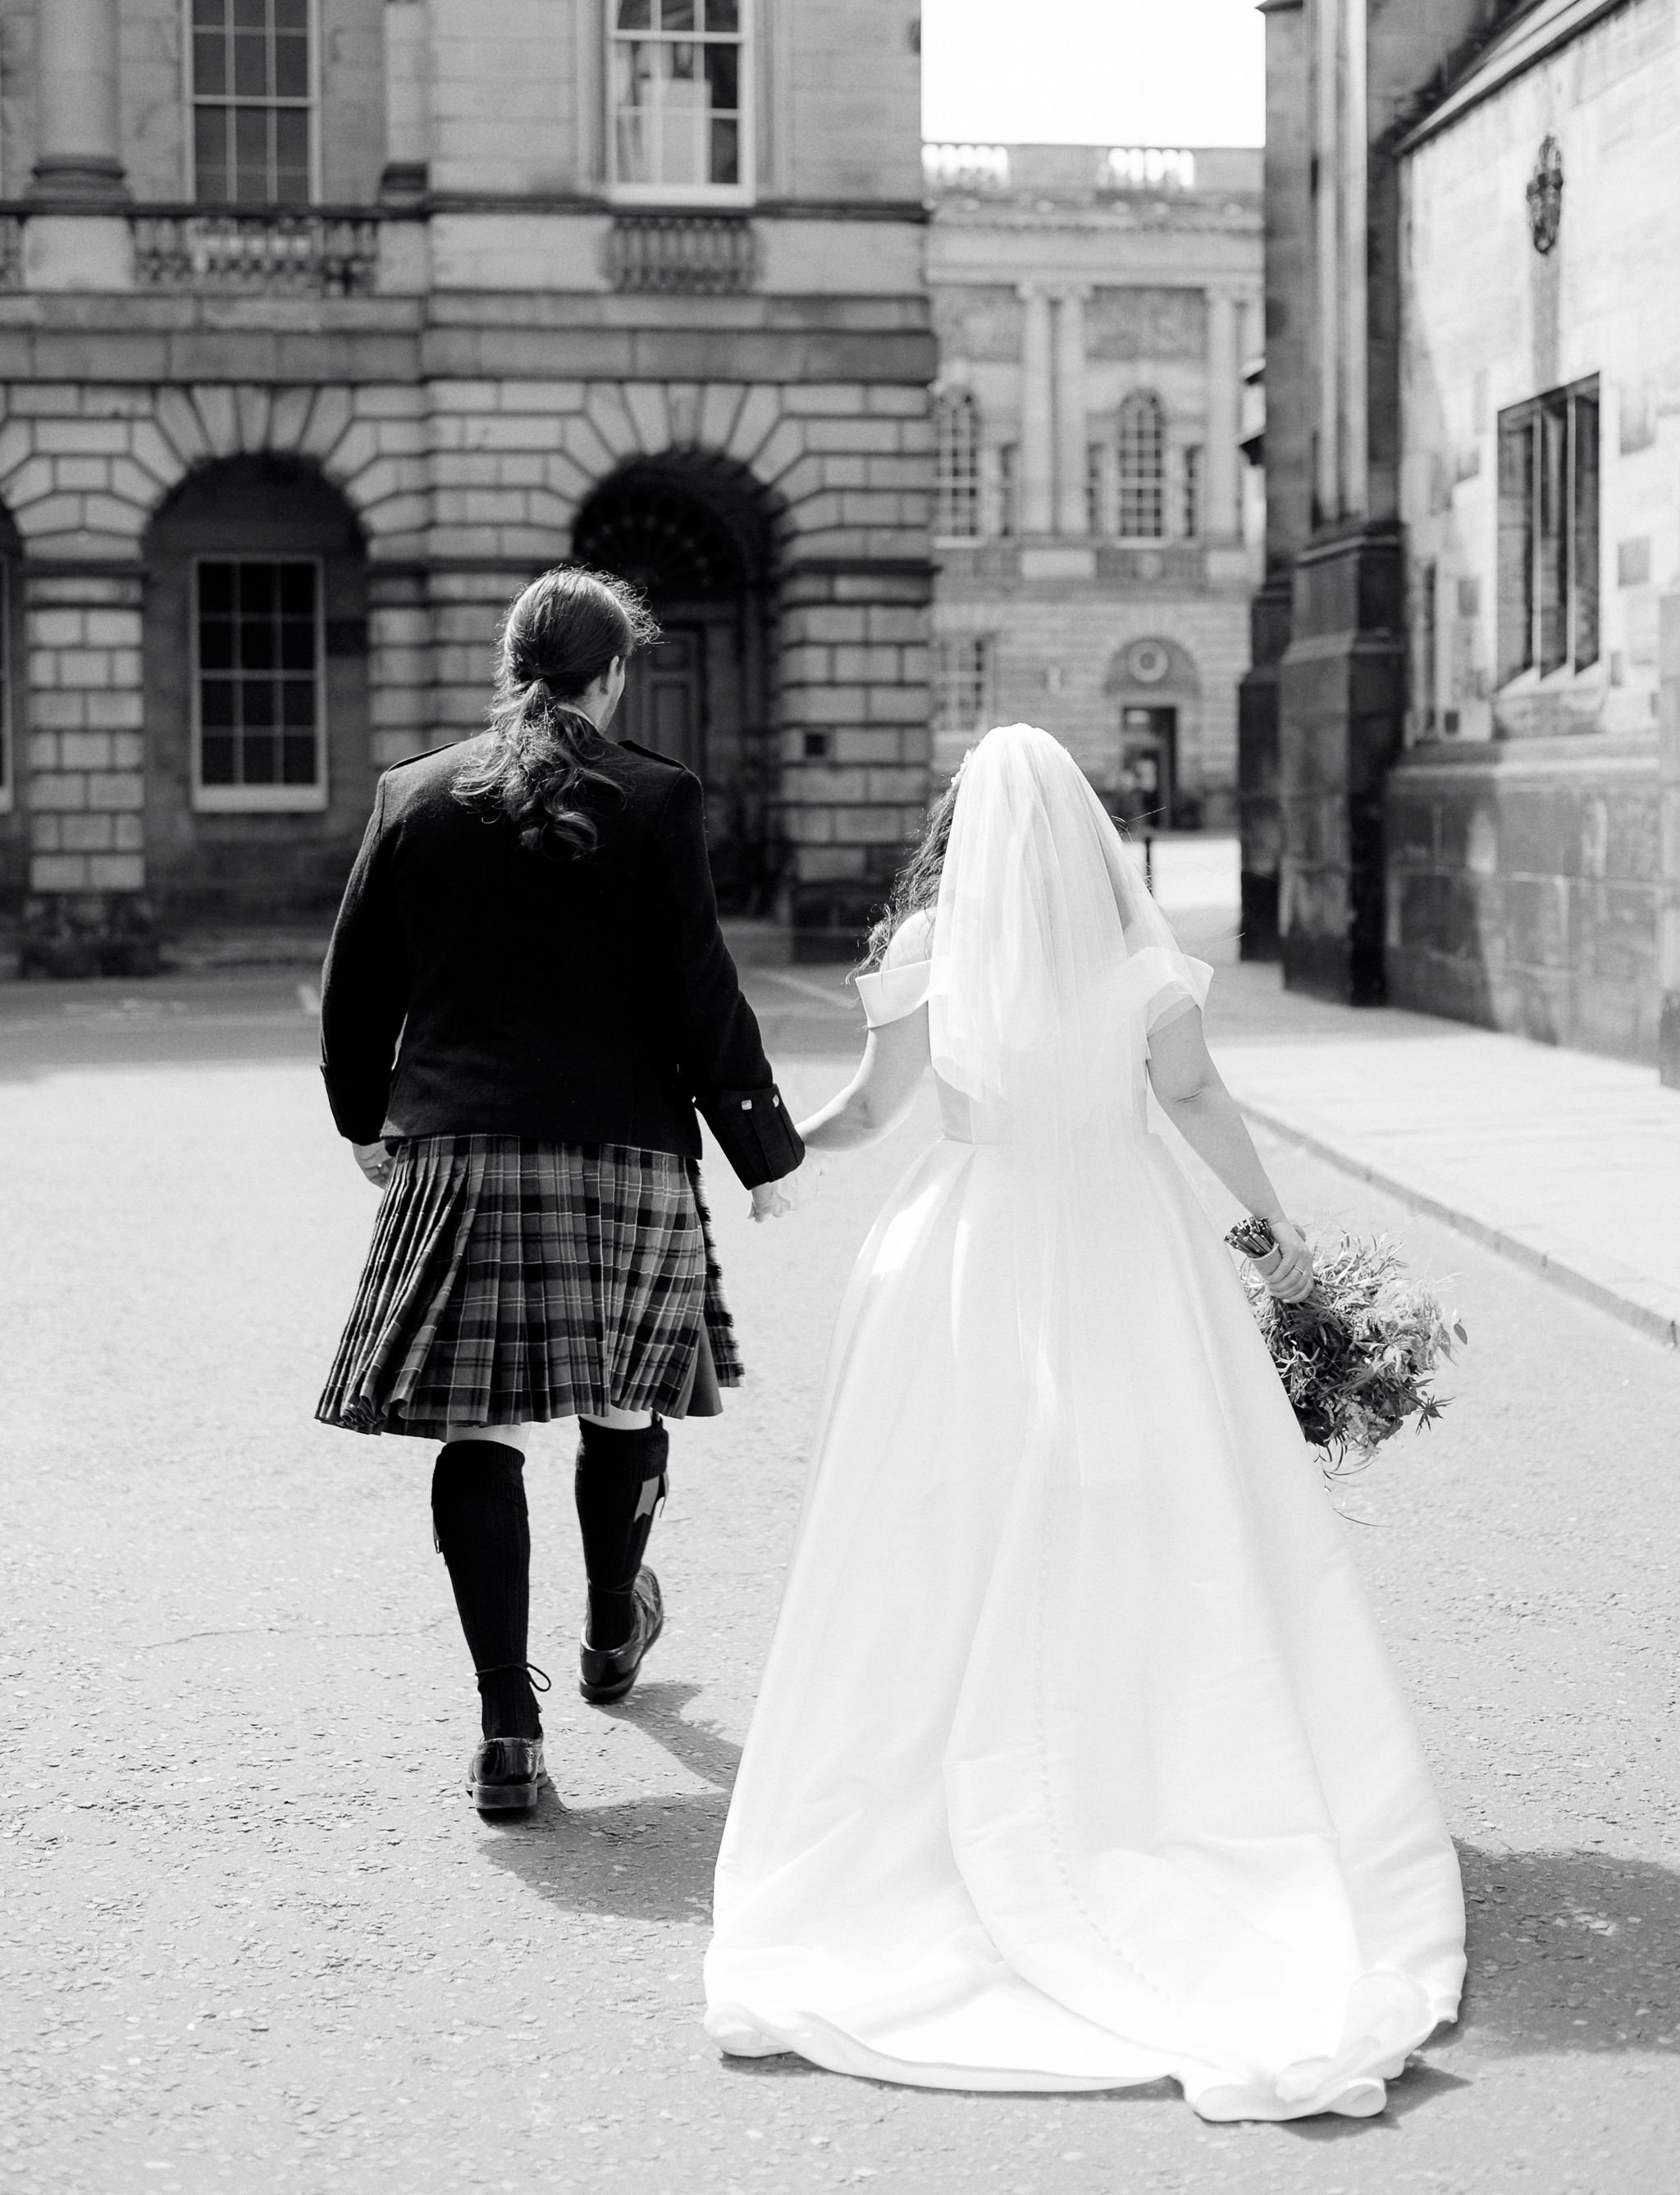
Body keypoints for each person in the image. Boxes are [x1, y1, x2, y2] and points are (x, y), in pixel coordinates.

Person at [703, 724, 1465, 2123]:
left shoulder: (931, 941)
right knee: (1155, 1492)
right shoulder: (1134, 947)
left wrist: (770, 1151)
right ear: (1086, 830)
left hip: (967, 1241)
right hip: (1124, 1230)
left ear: (967, 826)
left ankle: (948, 1765)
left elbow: (877, 1109)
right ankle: (1152, 1748)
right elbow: (1188, 1095)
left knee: (947, 1505)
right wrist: (1275, 1230)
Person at [315, 566, 804, 1815]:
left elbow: (356, 988)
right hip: (626, 1148)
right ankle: (607, 1633)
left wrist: (366, 1120)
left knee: (480, 1430)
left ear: (513, 665)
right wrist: (762, 1149)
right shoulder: (654, 796)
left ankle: (506, 1728)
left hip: (463, 1152)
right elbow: (699, 987)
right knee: (625, 1398)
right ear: (614, 673)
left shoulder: (413, 796)